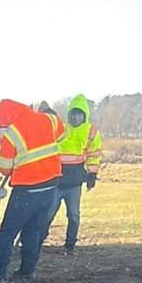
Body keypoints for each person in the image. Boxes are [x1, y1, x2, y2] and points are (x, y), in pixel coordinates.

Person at [0, 98, 64, 283]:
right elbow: (62, 133)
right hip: (50, 187)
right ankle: (27, 271)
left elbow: (4, 167)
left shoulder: (14, 133)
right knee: (33, 229)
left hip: (26, 190)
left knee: (7, 233)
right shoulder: (48, 119)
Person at [51, 94, 103, 252]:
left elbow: (94, 155)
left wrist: (92, 174)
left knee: (73, 215)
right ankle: (38, 241)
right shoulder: (62, 129)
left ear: (84, 115)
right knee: (48, 214)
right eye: (73, 113)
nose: (75, 117)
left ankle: (70, 245)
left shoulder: (91, 131)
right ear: (69, 114)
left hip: (74, 182)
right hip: (57, 180)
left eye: (79, 114)